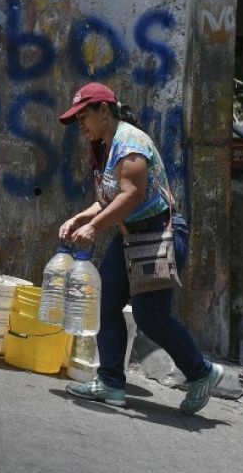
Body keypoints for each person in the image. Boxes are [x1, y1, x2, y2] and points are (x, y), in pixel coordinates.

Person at [57, 82, 224, 414]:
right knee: (105, 303)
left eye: (83, 117)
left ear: (103, 111)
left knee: (152, 318)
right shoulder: (106, 146)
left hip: (158, 235)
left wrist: (94, 227)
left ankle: (202, 373)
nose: (81, 125)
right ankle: (110, 382)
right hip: (131, 236)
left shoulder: (130, 142)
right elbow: (108, 197)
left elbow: (131, 194)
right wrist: (80, 217)